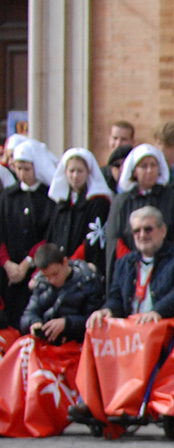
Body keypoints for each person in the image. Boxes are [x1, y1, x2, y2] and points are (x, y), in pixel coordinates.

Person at [92, 206, 174, 323]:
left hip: (168, 329)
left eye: (148, 229)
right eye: (137, 231)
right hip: (132, 332)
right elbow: (116, 297)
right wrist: (108, 310)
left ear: (163, 231)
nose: (142, 235)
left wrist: (157, 311)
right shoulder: (124, 263)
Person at [0, 138, 56, 323]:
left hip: (35, 271)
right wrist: (8, 264)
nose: (22, 173)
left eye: (26, 168)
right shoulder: (8, 197)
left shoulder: (48, 198)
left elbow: (48, 234)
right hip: (8, 273)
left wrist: (27, 264)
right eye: (18, 168)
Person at [103, 143, 174, 256]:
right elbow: (115, 239)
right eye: (144, 166)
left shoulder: (171, 198)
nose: (149, 170)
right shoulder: (122, 201)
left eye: (153, 165)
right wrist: (132, 262)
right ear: (134, 171)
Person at [46, 148, 113, 273]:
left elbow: (93, 239)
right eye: (71, 171)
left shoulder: (97, 202)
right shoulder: (62, 203)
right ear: (65, 172)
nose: (75, 176)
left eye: (80, 171)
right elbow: (53, 236)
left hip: (83, 269)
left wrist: (70, 263)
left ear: (88, 172)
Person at [19, 243, 104, 341]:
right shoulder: (42, 283)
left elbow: (95, 319)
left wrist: (67, 323)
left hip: (79, 345)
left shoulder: (88, 281)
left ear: (65, 262)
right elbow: (28, 315)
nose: (52, 280)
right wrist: (34, 323)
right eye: (47, 276)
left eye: (55, 274)